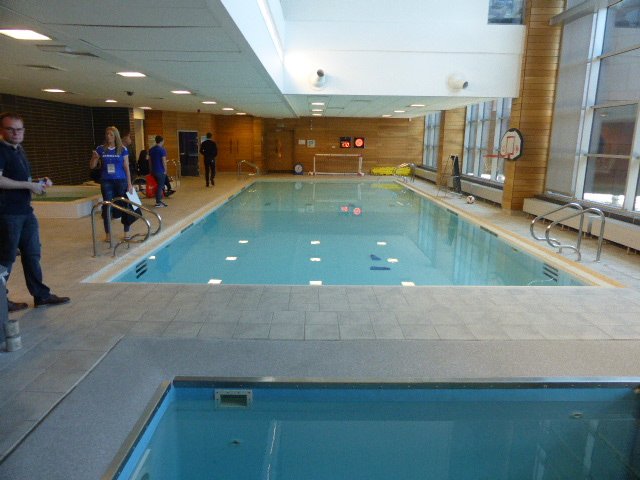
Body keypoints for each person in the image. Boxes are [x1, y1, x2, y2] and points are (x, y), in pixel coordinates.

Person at [0, 112, 70, 312]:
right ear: (2, 130)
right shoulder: (1, 151)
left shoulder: (19, 150)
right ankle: (1, 300)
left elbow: (19, 179)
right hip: (8, 213)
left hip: (25, 211)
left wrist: (38, 183)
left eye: (19, 129)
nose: (16, 133)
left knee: (32, 254)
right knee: (6, 258)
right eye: (11, 129)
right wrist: (28, 185)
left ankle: (41, 295)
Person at [89, 126, 134, 242]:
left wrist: (129, 184)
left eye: (111, 135)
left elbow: (126, 167)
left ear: (116, 136)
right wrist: (94, 158)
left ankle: (126, 232)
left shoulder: (122, 149)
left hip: (121, 180)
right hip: (106, 181)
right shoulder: (101, 149)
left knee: (125, 205)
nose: (108, 137)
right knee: (107, 206)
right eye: (107, 134)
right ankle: (108, 234)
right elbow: (92, 166)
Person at [147, 135, 168, 208]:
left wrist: (151, 170)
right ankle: (158, 202)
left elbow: (149, 161)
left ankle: (159, 200)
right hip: (160, 171)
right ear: (162, 141)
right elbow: (164, 161)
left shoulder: (151, 150)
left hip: (154, 171)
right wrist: (165, 170)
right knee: (160, 186)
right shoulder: (162, 150)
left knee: (158, 186)